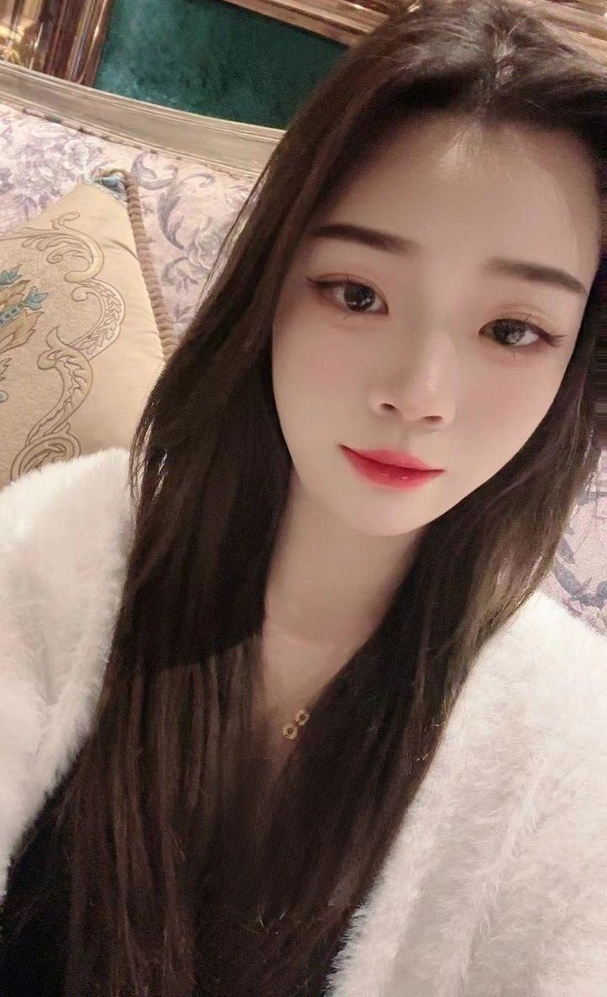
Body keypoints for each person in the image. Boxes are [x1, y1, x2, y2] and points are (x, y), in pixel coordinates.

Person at [1, 0, 606, 993]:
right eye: (358, 294)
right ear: (272, 286)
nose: (418, 393)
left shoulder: (574, 761)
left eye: (511, 330)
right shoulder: (42, 562)